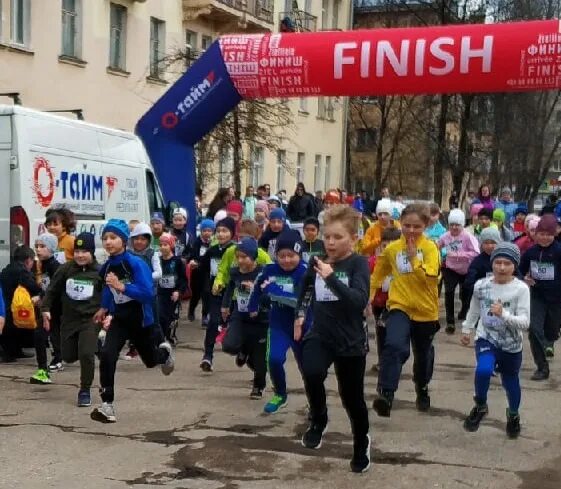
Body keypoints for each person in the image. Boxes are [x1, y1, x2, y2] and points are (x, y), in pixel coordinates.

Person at [296, 205, 371, 473]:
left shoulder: (358, 264)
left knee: (352, 399)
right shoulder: (316, 260)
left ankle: (361, 444)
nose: (330, 242)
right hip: (322, 335)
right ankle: (319, 418)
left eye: (337, 237)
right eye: (327, 236)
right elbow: (304, 290)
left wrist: (331, 278)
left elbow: (358, 301)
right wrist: (300, 315)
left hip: (350, 341)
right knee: (312, 371)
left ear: (353, 238)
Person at [91, 219, 174, 423]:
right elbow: (108, 290)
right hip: (120, 318)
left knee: (150, 361)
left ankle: (164, 354)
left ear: (124, 240)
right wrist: (103, 307)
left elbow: (147, 294)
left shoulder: (136, 263)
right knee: (107, 355)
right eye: (105, 238)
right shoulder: (107, 266)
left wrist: (123, 287)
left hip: (140, 318)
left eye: (113, 238)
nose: (108, 242)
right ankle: (107, 405)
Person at [370, 203, 440, 417]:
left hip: (425, 310)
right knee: (393, 346)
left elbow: (430, 279)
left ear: (425, 225)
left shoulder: (430, 249)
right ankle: (386, 394)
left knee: (422, 359)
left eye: (416, 226)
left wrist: (413, 259)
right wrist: (369, 297)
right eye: (407, 225)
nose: (410, 230)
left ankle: (422, 387)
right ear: (400, 223)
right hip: (399, 305)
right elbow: (378, 274)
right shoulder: (392, 249)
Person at [461, 242, 529, 438]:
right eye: (497, 262)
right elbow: (474, 309)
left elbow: (525, 322)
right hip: (486, 337)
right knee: (483, 370)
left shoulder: (520, 289)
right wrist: (467, 328)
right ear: (492, 264)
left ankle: (513, 415)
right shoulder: (481, 286)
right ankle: (481, 405)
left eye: (507, 263)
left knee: (510, 382)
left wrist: (504, 314)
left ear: (514, 266)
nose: (501, 267)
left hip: (511, 343)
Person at [248, 230, 310, 414]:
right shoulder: (270, 269)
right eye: (282, 256)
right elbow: (258, 288)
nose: (286, 260)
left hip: (303, 324)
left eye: (291, 256)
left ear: (299, 254)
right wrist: (253, 306)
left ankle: (314, 400)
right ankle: (280, 394)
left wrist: (274, 291)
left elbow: (298, 300)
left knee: (307, 366)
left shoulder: (306, 272)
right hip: (279, 324)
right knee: (273, 359)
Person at [41, 233, 103, 407]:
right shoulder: (66, 269)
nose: (80, 255)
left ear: (92, 252)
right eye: (77, 251)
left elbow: (110, 295)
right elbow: (51, 291)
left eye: (84, 251)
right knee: (68, 356)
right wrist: (45, 309)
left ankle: (84, 389)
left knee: (85, 354)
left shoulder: (100, 271)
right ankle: (96, 345)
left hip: (91, 319)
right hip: (69, 320)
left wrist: (108, 313)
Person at [221, 238, 269, 399]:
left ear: (254, 257)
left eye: (244, 257)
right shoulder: (235, 272)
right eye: (238, 257)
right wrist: (225, 306)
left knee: (260, 360)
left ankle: (258, 386)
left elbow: (272, 294)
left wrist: (256, 289)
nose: (240, 261)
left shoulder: (263, 272)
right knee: (228, 345)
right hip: (240, 315)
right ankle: (242, 351)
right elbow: (230, 288)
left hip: (261, 319)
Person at [518, 214, 561, 381]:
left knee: (551, 332)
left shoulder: (558, 251)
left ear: (555, 234)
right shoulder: (531, 252)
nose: (544, 238)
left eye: (548, 234)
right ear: (535, 234)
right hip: (537, 296)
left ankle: (551, 338)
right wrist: (524, 278)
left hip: (557, 298)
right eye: (541, 234)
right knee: (534, 330)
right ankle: (542, 367)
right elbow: (519, 268)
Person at [199, 217, 236, 372]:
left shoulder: (235, 250)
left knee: (235, 325)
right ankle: (207, 356)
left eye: (225, 231)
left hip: (233, 294)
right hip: (215, 292)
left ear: (232, 233)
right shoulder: (212, 251)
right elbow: (204, 268)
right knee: (213, 323)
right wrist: (208, 287)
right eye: (218, 231)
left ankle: (243, 352)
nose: (221, 234)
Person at [437, 209, 480, 334]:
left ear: (462, 225)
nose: (454, 227)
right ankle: (450, 322)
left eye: (457, 225)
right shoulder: (445, 236)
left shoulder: (467, 236)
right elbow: (436, 247)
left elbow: (476, 253)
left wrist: (458, 254)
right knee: (449, 292)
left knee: (466, 293)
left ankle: (464, 309)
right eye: (452, 225)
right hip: (450, 268)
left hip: (466, 269)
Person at [128, 222, 163, 359]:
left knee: (153, 321)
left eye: (143, 239)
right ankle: (133, 347)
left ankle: (160, 345)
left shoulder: (152, 254)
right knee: (134, 322)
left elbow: (159, 273)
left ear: (148, 240)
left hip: (149, 294)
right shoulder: (128, 254)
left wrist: (144, 278)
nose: (139, 242)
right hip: (133, 294)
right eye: (136, 238)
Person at [0, 246, 42, 363]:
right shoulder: (22, 271)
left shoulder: (8, 268)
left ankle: (15, 351)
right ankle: (10, 354)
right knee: (15, 327)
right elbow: (33, 287)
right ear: (28, 260)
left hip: (5, 304)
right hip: (12, 308)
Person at [30, 232, 62, 384]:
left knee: (50, 335)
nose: (38, 249)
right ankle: (43, 369)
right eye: (36, 246)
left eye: (42, 246)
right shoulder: (41, 265)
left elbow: (55, 289)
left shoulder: (55, 267)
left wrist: (42, 297)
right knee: (40, 336)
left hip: (56, 309)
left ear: (51, 249)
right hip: (47, 308)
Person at [369, 227, 402, 372]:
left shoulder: (402, 264)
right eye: (384, 246)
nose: (388, 249)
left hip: (397, 304)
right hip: (379, 304)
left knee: (395, 335)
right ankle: (382, 360)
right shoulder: (372, 262)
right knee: (381, 333)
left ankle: (394, 360)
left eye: (392, 245)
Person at [158, 233, 188, 344]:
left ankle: (170, 335)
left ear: (171, 245)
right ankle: (162, 338)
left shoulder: (177, 261)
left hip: (173, 293)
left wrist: (179, 291)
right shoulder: (157, 260)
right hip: (161, 293)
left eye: (165, 244)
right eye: (160, 245)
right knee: (160, 315)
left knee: (171, 317)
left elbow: (183, 279)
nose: (162, 247)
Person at [463, 227, 502, 307]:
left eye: (493, 242)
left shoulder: (504, 259)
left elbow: (517, 275)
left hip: (503, 296)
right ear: (481, 244)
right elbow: (469, 281)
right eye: (486, 243)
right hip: (484, 297)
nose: (489, 246)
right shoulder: (477, 261)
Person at [188, 219, 214, 324]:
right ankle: (191, 310)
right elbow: (193, 256)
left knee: (207, 294)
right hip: (197, 272)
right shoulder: (197, 242)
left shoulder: (214, 243)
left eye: (209, 230)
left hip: (208, 272)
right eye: (204, 230)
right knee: (196, 295)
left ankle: (204, 316)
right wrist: (194, 261)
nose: (207, 233)